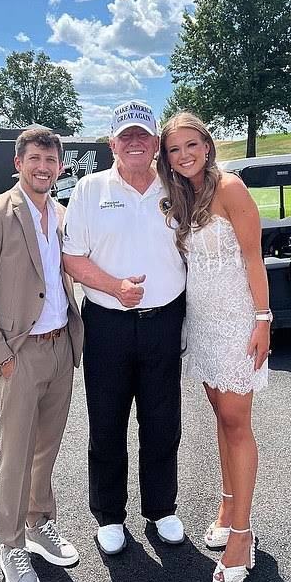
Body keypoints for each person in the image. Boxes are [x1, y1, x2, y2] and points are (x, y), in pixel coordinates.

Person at [0, 127, 84, 582]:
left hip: (60, 349)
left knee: (45, 450)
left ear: (60, 166)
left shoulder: (64, 214)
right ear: (19, 162)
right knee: (16, 455)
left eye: (51, 160)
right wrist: (3, 360)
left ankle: (39, 523)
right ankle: (9, 543)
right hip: (20, 353)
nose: (44, 167)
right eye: (35, 158)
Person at [63, 100, 186, 555]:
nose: (135, 142)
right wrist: (115, 286)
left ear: (156, 142)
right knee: (107, 421)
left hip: (164, 322)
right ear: (112, 143)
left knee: (162, 420)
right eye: (125, 135)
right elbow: (72, 257)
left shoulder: (177, 187)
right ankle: (109, 515)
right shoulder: (90, 190)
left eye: (143, 135)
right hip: (108, 324)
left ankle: (161, 508)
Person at [157, 111, 270, 582]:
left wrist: (263, 320)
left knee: (238, 423)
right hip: (200, 322)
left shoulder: (231, 188)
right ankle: (228, 505)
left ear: (207, 144)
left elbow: (252, 257)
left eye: (190, 146)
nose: (183, 156)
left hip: (237, 320)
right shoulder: (182, 195)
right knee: (222, 420)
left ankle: (241, 535)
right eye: (174, 150)